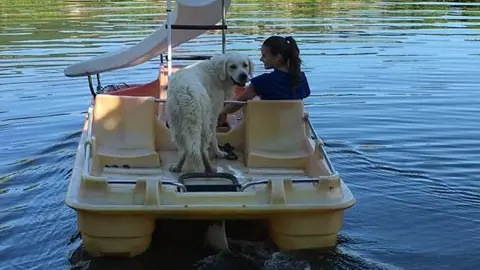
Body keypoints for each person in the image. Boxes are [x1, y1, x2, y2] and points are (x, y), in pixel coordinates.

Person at [217, 35, 311, 126]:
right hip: (294, 130)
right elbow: (304, 94)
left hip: (267, 128)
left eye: (264, 56)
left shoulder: (262, 81)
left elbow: (236, 105)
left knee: (232, 118)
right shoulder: (301, 78)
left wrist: (223, 111)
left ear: (278, 57)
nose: (261, 59)